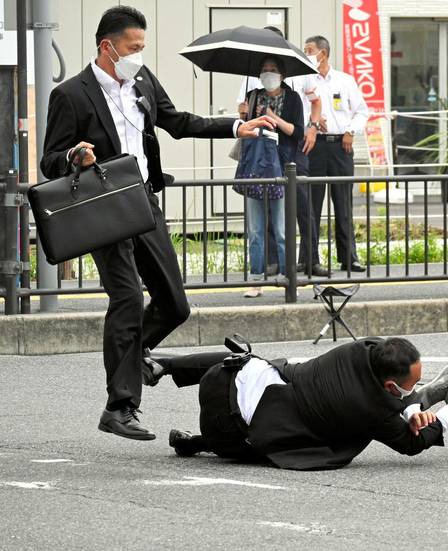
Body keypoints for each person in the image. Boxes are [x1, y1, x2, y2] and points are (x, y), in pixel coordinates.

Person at [40, 6, 275, 441]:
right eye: (133, 48)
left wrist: (236, 126)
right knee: (128, 299)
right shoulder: (72, 95)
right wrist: (75, 156)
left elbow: (177, 122)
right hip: (102, 206)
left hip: (143, 201)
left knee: (174, 304)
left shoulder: (143, 82)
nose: (139, 56)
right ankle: (120, 406)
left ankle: (135, 355)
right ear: (106, 46)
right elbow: (49, 159)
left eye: (143, 49)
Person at [149, 337, 448, 470]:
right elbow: (413, 445)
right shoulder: (373, 412)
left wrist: (411, 407)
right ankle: (199, 442)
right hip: (228, 433)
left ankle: (166, 365)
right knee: (278, 437)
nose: (413, 387)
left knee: (251, 361)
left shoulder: (358, 350)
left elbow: (381, 346)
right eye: (412, 385)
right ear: (389, 386)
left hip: (221, 378)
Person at [235, 26, 324, 280]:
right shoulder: (252, 89)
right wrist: (243, 116)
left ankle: (306, 263)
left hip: (290, 159)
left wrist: (312, 128)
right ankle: (266, 268)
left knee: (299, 211)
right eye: (266, 71)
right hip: (259, 161)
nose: (268, 74)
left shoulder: (297, 82)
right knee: (261, 222)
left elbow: (307, 113)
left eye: (273, 71)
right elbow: (244, 126)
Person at [302, 35, 369, 275]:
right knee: (311, 205)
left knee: (343, 203)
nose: (306, 53)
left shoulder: (345, 80)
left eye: (309, 49)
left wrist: (350, 131)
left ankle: (349, 257)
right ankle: (309, 258)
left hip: (342, 145)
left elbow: (362, 112)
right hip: (313, 146)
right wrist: (312, 122)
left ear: (323, 53)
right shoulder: (303, 79)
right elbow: (299, 111)